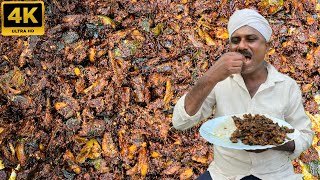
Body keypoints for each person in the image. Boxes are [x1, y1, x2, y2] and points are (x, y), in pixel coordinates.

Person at [172, 9, 314, 180]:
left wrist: (274, 142)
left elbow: (305, 135)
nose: (241, 46)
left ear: (266, 46)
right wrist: (210, 77)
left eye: (251, 39)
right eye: (235, 40)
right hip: (225, 174)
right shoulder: (219, 80)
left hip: (275, 175)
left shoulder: (287, 86)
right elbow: (180, 122)